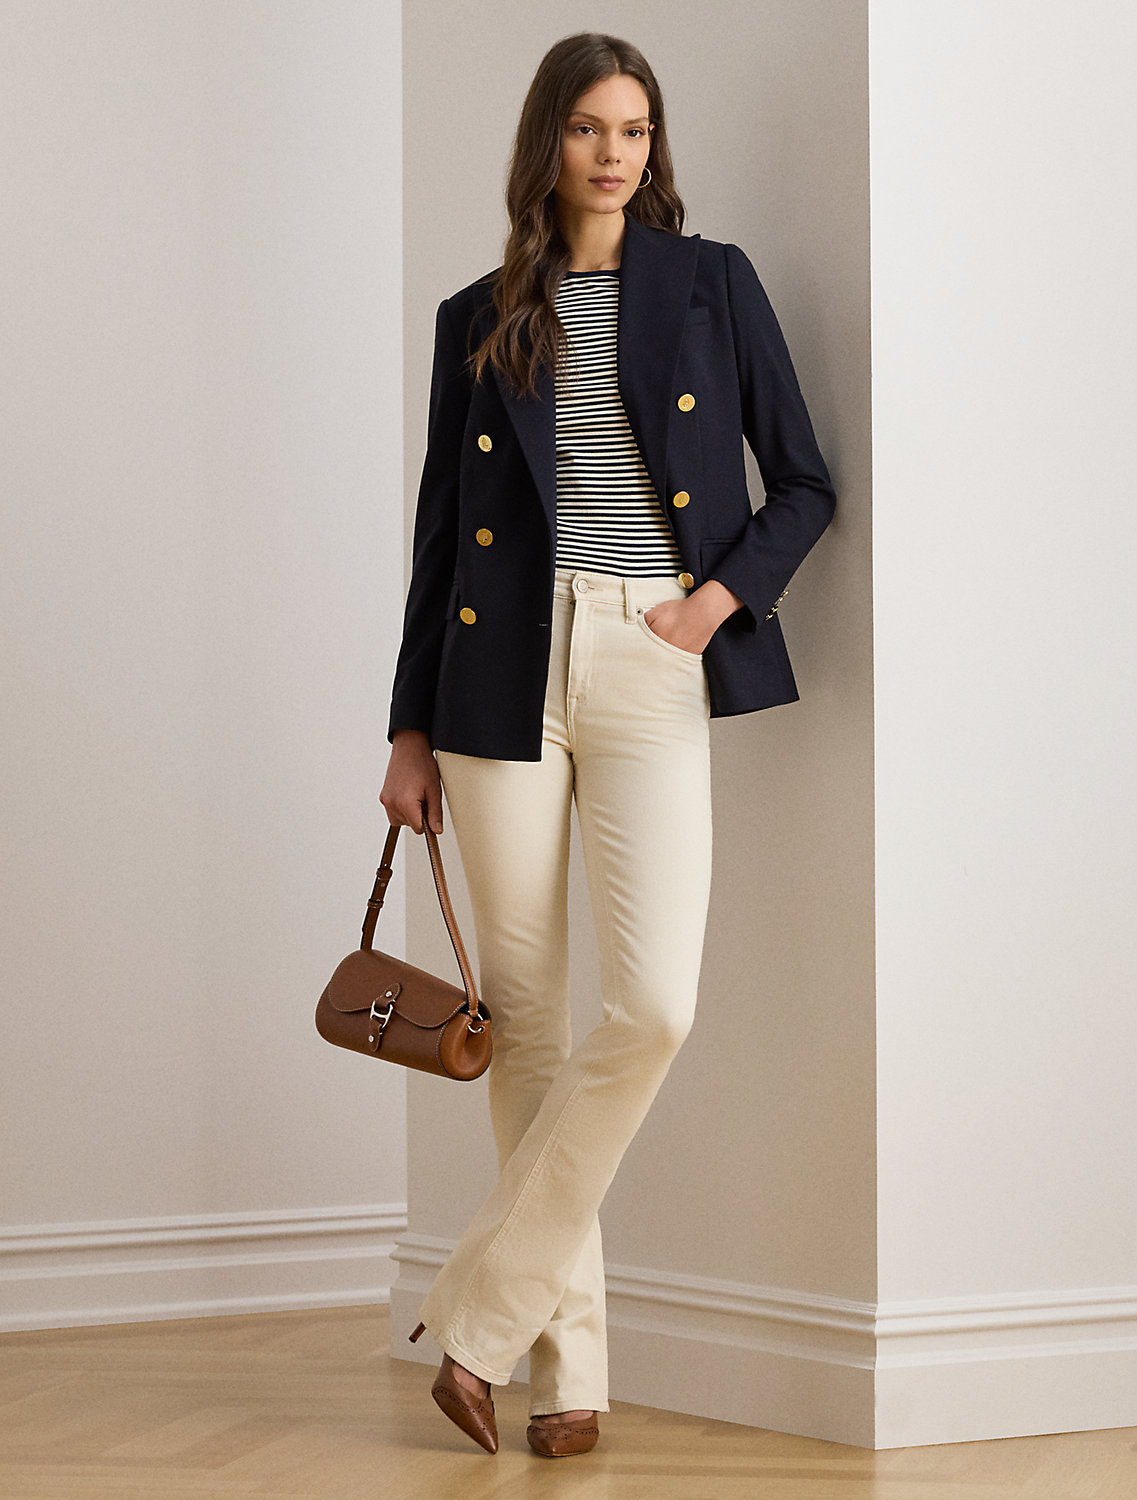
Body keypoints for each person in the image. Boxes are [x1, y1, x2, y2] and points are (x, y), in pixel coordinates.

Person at [379, 31, 837, 1459]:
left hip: (650, 654)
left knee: (654, 1006)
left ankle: (475, 1321)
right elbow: (439, 537)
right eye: (589, 128)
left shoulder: (712, 282)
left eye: (635, 129)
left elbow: (805, 482)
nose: (615, 153)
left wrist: (712, 603)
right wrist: (407, 724)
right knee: (524, 1023)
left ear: (656, 145)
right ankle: (567, 1375)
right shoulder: (478, 316)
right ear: (549, 143)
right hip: (495, 680)